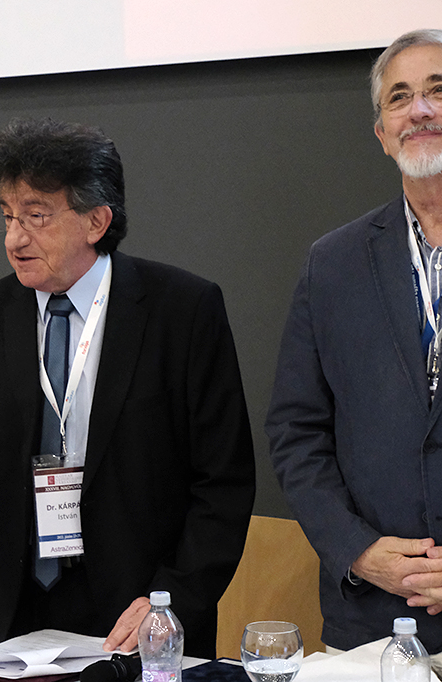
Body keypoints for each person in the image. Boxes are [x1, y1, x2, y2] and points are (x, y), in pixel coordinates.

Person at [0, 118, 255, 658]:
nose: (14, 238)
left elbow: (224, 480)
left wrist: (172, 600)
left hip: (140, 610)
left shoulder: (182, 310)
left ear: (96, 221)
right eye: (7, 216)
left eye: (36, 217)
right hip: (17, 606)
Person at [267, 29, 442, 660]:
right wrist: (358, 550)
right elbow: (296, 430)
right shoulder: (334, 263)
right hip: (371, 620)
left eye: (438, 90)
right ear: (382, 134)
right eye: (399, 97)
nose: (419, 109)